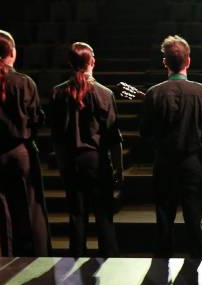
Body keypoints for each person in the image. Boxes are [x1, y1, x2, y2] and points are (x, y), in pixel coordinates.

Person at [139, 35, 202, 258]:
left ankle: (161, 270)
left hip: (165, 163)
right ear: (188, 61)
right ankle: (196, 265)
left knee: (164, 220)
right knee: (193, 219)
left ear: (165, 63)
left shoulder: (153, 94)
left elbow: (145, 133)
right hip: (193, 163)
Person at [0, 30, 50, 257]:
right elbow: (36, 118)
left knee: (5, 208)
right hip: (23, 151)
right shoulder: (24, 82)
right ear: (12, 52)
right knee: (32, 208)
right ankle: (39, 256)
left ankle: (9, 257)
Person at [50, 42, 123, 258]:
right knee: (104, 216)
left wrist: (62, 165)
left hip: (72, 160)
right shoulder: (104, 94)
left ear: (70, 63)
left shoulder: (58, 93)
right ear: (92, 62)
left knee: (77, 216)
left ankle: (76, 259)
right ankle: (109, 262)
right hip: (97, 162)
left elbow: (57, 137)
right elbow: (112, 137)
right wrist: (118, 169)